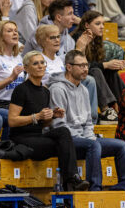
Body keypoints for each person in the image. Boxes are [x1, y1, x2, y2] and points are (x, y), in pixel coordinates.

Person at [49, 50, 125, 191]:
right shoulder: (57, 89)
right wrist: (88, 141)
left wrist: (89, 138)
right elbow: (58, 125)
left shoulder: (84, 89)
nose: (86, 69)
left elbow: (88, 122)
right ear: (69, 67)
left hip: (84, 138)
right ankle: (95, 189)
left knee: (122, 146)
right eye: (81, 65)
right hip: (68, 140)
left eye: (86, 65)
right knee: (93, 146)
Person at [8, 50, 89, 191]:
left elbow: (44, 122)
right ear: (26, 68)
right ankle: (69, 182)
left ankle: (72, 179)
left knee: (63, 132)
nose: (40, 66)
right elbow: (12, 121)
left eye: (42, 63)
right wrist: (37, 116)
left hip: (39, 135)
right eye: (35, 63)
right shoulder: (21, 90)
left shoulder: (45, 91)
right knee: (64, 146)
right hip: (21, 137)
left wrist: (52, 116)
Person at [35, 24, 99, 124]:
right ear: (42, 41)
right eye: (52, 37)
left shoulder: (60, 59)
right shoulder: (38, 59)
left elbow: (76, 62)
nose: (57, 40)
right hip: (51, 96)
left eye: (58, 36)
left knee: (89, 80)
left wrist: (82, 44)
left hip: (68, 92)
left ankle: (91, 122)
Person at [73, 11, 125, 124]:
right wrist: (106, 65)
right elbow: (82, 65)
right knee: (96, 71)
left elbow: (95, 63)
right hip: (76, 75)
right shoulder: (78, 38)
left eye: (103, 24)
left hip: (90, 74)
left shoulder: (96, 39)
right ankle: (106, 110)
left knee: (111, 72)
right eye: (98, 24)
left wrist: (115, 65)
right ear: (87, 25)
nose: (102, 27)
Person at [0, 21, 24, 109]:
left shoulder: (18, 57)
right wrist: (11, 78)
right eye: (9, 31)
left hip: (17, 103)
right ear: (1, 37)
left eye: (16, 31)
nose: (14, 33)